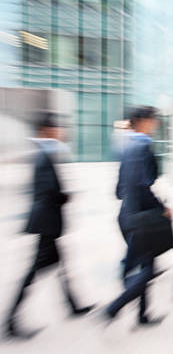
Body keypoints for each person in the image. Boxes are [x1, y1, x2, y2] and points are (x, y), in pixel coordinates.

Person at [5, 112, 94, 339]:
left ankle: (73, 305)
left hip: (47, 221)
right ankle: (10, 322)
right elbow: (47, 191)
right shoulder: (44, 154)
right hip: (47, 221)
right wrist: (64, 196)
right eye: (57, 128)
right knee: (35, 270)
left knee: (61, 265)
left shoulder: (44, 152)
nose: (61, 131)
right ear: (47, 130)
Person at [103, 106, 170, 326]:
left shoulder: (125, 146)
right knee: (148, 269)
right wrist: (162, 207)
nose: (156, 124)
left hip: (126, 214)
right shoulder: (142, 147)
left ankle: (142, 314)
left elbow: (118, 190)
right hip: (142, 218)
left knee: (144, 263)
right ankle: (114, 308)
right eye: (153, 120)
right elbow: (144, 185)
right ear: (142, 121)